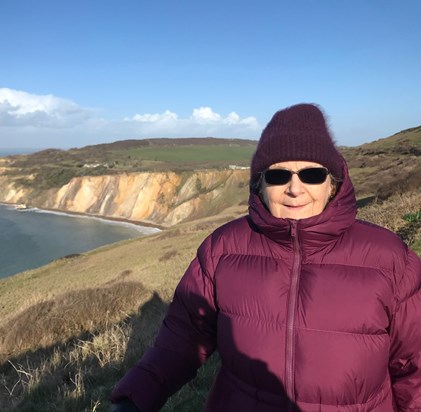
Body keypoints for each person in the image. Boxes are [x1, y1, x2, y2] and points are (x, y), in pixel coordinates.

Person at [110, 103, 421, 411]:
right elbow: (182, 338)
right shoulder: (223, 249)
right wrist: (134, 399)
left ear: (333, 183)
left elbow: (415, 371)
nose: (295, 189)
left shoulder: (391, 259)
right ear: (259, 183)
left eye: (312, 174)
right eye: (278, 176)